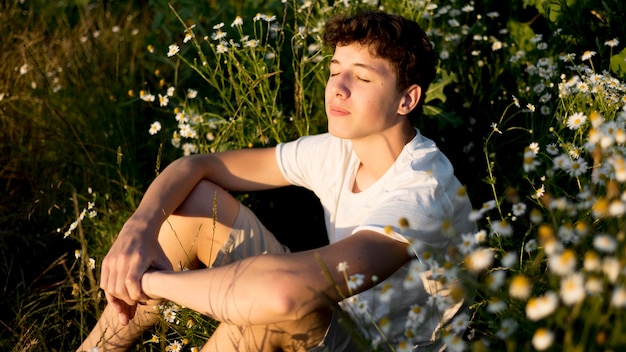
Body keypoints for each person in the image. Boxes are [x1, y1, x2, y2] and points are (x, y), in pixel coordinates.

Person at [77, 9, 476, 352]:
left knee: (268, 307)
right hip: (342, 314)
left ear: (407, 99)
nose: (337, 88)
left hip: (380, 346)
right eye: (335, 71)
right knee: (195, 206)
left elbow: (282, 295)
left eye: (361, 78)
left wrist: (153, 282)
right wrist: (138, 230)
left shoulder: (422, 192)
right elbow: (198, 165)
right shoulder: (341, 148)